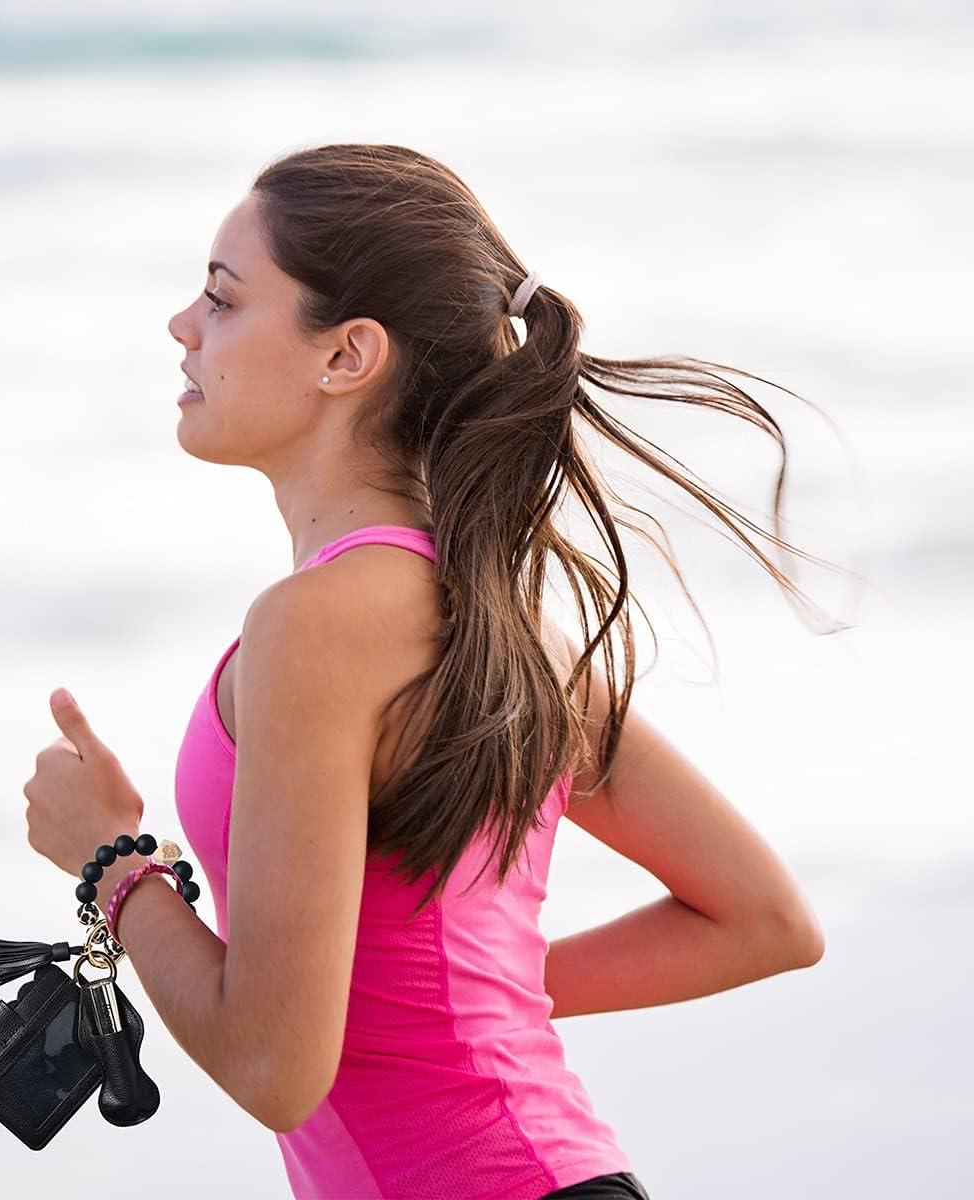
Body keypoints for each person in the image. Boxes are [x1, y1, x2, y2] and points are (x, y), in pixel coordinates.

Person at [114, 143, 838, 1199]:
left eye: (223, 299)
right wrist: (468, 1006)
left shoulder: (315, 627)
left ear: (347, 356)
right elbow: (763, 921)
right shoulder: (501, 626)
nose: (183, 324)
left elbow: (273, 1068)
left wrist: (113, 866)